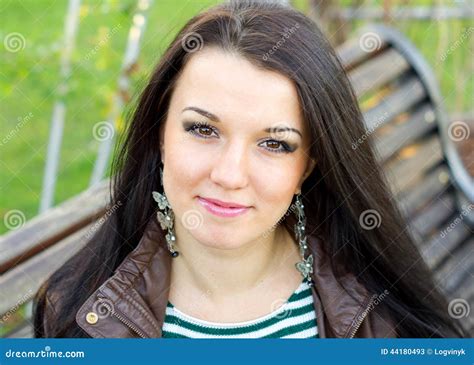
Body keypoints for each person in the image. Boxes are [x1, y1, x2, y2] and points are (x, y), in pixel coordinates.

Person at [33, 0, 466, 338]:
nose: (230, 174)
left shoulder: (381, 320)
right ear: (159, 134)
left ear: (310, 162)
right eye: (203, 129)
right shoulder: (75, 315)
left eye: (274, 143)